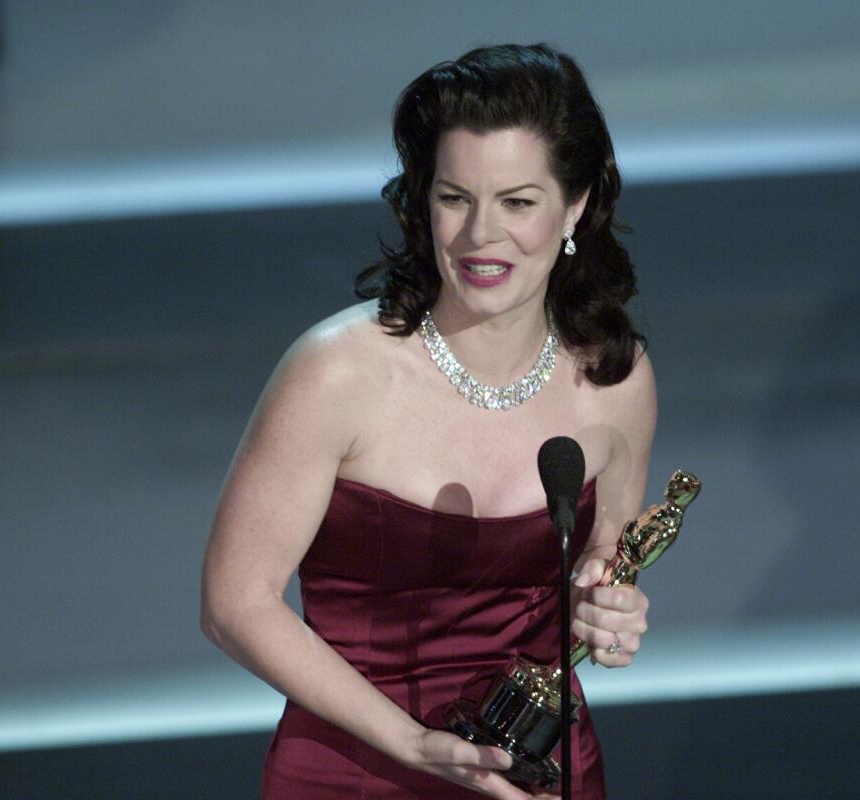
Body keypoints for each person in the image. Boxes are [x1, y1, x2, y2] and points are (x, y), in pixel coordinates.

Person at [201, 43, 657, 799]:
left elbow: (596, 576)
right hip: (353, 770)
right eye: (455, 198)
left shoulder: (615, 381)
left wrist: (611, 614)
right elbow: (234, 604)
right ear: (423, 200)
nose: (481, 235)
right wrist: (414, 745)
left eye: (518, 202)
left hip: (535, 772)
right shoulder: (336, 373)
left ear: (573, 207)